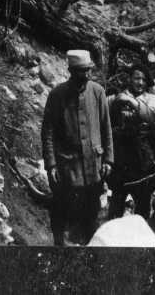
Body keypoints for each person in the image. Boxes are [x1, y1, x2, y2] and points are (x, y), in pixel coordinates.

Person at [41, 49, 113, 245]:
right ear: (71, 71)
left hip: (93, 166)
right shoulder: (57, 95)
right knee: (63, 210)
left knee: (92, 213)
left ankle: (89, 249)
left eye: (89, 70)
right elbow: (48, 133)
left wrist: (108, 159)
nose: (87, 74)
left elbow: (106, 128)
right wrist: (51, 164)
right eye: (82, 71)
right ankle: (61, 246)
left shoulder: (97, 92)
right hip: (68, 167)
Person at [105, 69, 155, 221]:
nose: (140, 83)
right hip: (121, 156)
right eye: (136, 78)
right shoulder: (116, 97)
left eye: (143, 80)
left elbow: (152, 116)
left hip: (142, 158)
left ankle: (141, 231)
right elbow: (105, 120)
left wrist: (131, 102)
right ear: (129, 79)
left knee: (143, 199)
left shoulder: (151, 99)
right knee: (117, 197)